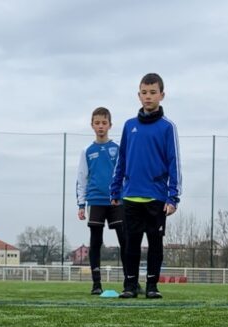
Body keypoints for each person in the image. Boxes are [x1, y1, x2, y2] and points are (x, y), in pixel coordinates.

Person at [110, 73, 181, 299]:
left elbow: (174, 161)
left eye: (153, 92)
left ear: (162, 95)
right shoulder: (129, 126)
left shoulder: (167, 127)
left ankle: (152, 286)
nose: (148, 96)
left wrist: (173, 197)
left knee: (155, 244)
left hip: (157, 198)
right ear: (138, 95)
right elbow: (121, 159)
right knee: (131, 244)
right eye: (144, 92)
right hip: (131, 196)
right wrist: (115, 189)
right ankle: (130, 285)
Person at [76, 107, 126, 295]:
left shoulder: (118, 149)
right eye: (97, 123)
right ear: (92, 125)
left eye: (104, 123)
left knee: (125, 240)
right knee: (95, 242)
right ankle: (96, 284)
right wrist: (81, 204)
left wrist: (123, 197)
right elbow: (81, 178)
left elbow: (124, 175)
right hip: (95, 201)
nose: (101, 126)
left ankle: (130, 282)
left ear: (110, 125)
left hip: (116, 201)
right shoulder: (87, 151)